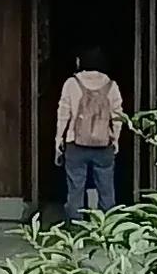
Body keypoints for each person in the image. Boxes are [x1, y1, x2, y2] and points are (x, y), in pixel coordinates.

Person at [49, 52, 126, 224]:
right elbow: (118, 116)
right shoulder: (111, 86)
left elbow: (63, 113)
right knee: (106, 188)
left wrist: (58, 139)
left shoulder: (71, 83)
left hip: (75, 144)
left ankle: (76, 226)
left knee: (76, 187)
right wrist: (116, 139)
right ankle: (107, 226)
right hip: (104, 144)